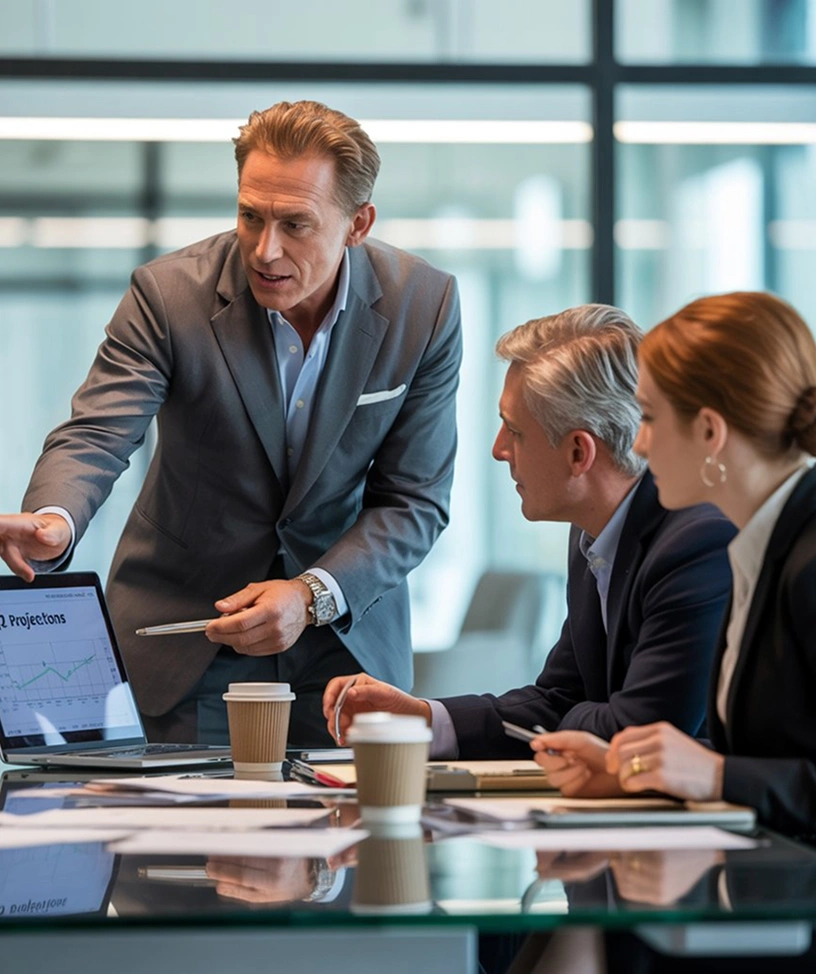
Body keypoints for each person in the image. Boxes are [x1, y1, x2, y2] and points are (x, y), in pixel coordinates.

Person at [0, 100, 462, 746]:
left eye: (296, 224)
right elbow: (99, 431)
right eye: (251, 217)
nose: (266, 250)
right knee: (179, 847)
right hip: (188, 644)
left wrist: (308, 596)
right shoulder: (168, 296)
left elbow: (414, 501)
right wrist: (57, 518)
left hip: (343, 648)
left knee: (352, 844)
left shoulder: (425, 306)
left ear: (358, 224)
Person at [324, 304, 735, 758]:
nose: (499, 450)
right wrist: (423, 716)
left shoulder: (697, 543)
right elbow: (559, 699)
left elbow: (641, 730)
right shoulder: (592, 537)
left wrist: (582, 712)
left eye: (514, 431)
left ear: (580, 453)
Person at [533, 291, 816, 842]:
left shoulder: (807, 562)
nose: (636, 442)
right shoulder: (762, 547)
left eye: (648, 417)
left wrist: (712, 774)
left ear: (710, 433)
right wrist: (637, 771)